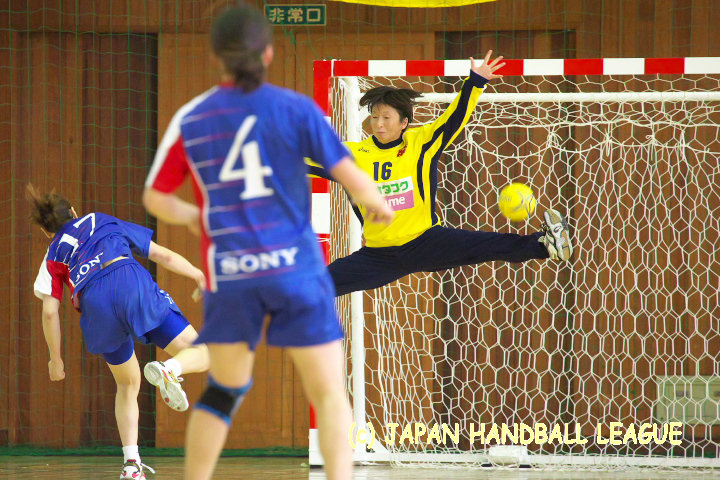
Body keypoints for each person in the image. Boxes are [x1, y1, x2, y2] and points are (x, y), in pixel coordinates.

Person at [142, 5, 393, 480]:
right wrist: (375, 200)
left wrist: (194, 216)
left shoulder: (193, 118)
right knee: (328, 393)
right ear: (269, 54)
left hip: (233, 274)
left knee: (223, 390)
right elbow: (350, 174)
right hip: (296, 270)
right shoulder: (296, 108)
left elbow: (155, 197)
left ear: (217, 57)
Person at [307, 50, 573, 296]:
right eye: (375, 117)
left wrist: (476, 82)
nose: (379, 124)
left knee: (486, 245)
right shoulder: (352, 154)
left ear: (404, 122)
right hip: (378, 255)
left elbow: (454, 117)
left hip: (424, 242)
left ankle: (545, 245)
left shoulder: (421, 142)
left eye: (386, 117)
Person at [28, 185, 210, 480]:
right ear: (74, 211)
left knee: (127, 384)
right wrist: (197, 274)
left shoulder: (53, 253)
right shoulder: (99, 220)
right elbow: (160, 255)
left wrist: (55, 359)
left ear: (46, 232)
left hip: (94, 303)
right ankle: (170, 369)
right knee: (203, 352)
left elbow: (50, 311)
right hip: (129, 282)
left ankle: (131, 465)